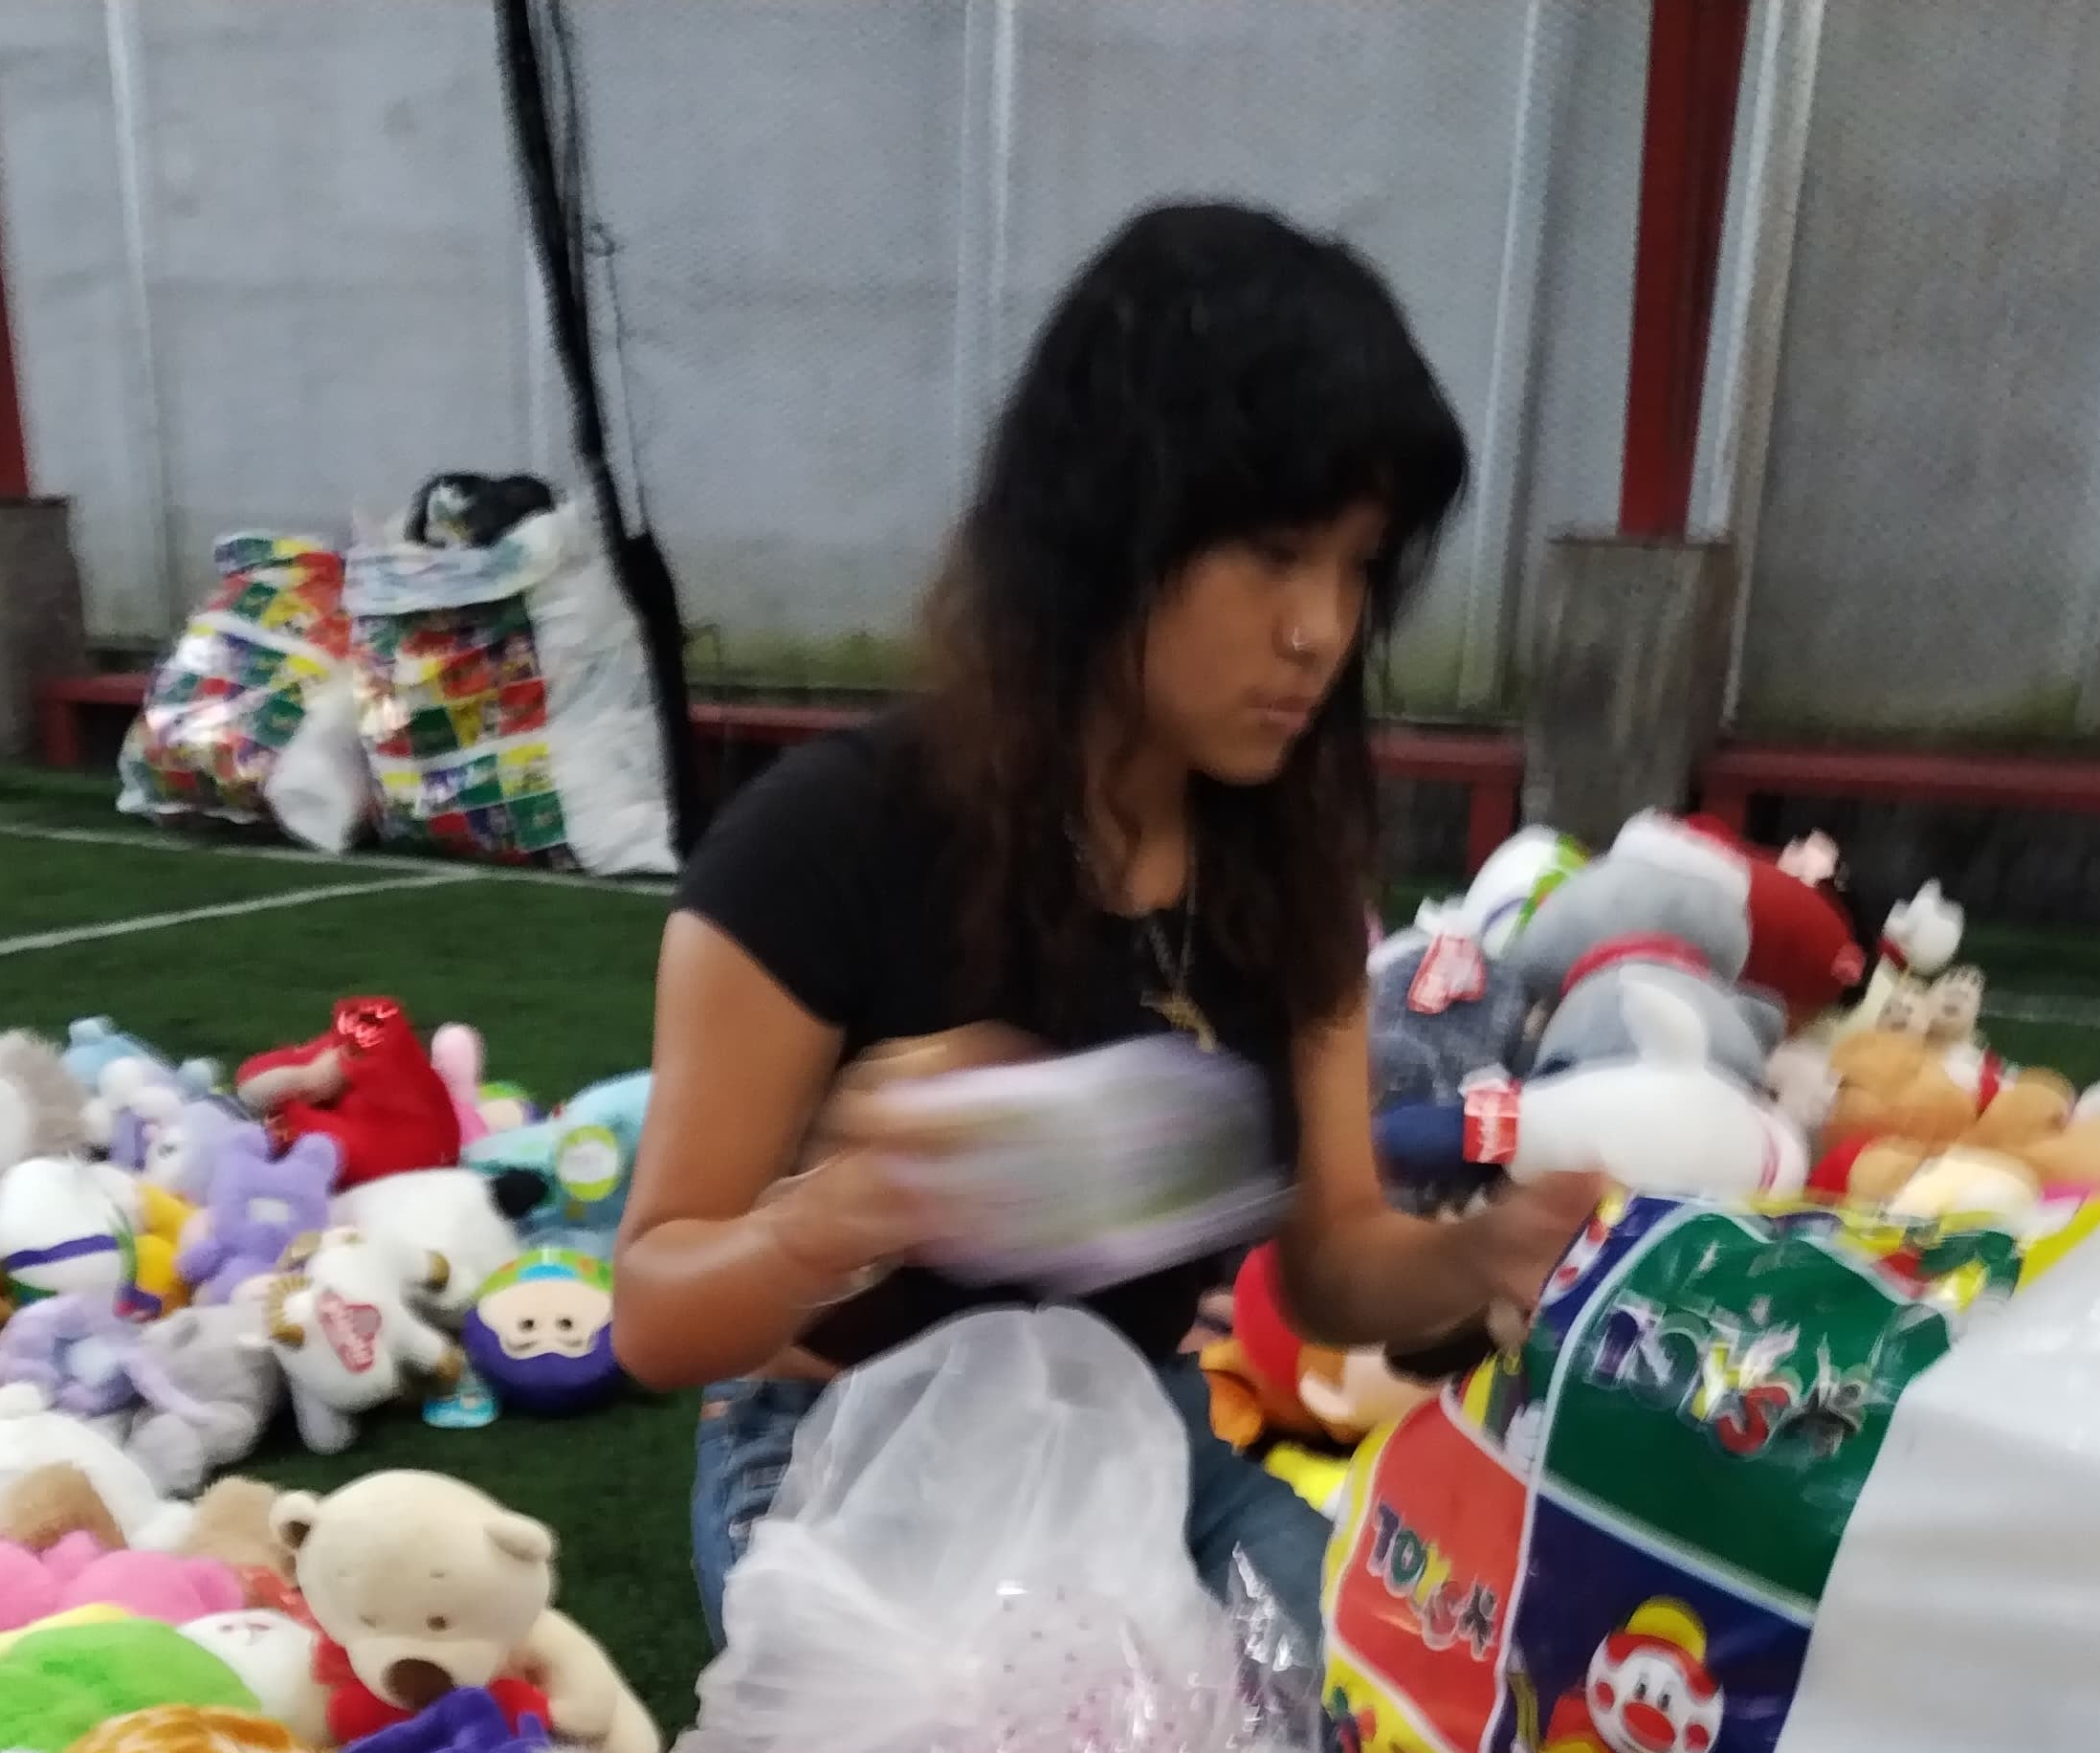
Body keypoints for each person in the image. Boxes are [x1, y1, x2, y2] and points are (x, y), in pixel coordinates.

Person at [614, 198, 1603, 1647]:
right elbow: (653, 1316)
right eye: (1273, 553)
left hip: (1134, 1441)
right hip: (845, 1458)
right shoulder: (830, 841)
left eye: (1357, 566)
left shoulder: (1289, 875)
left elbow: (1332, 1267)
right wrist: (848, 1210)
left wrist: (1488, 1252)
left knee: (1383, 1715)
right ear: (1113, 526)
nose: (1321, 629)